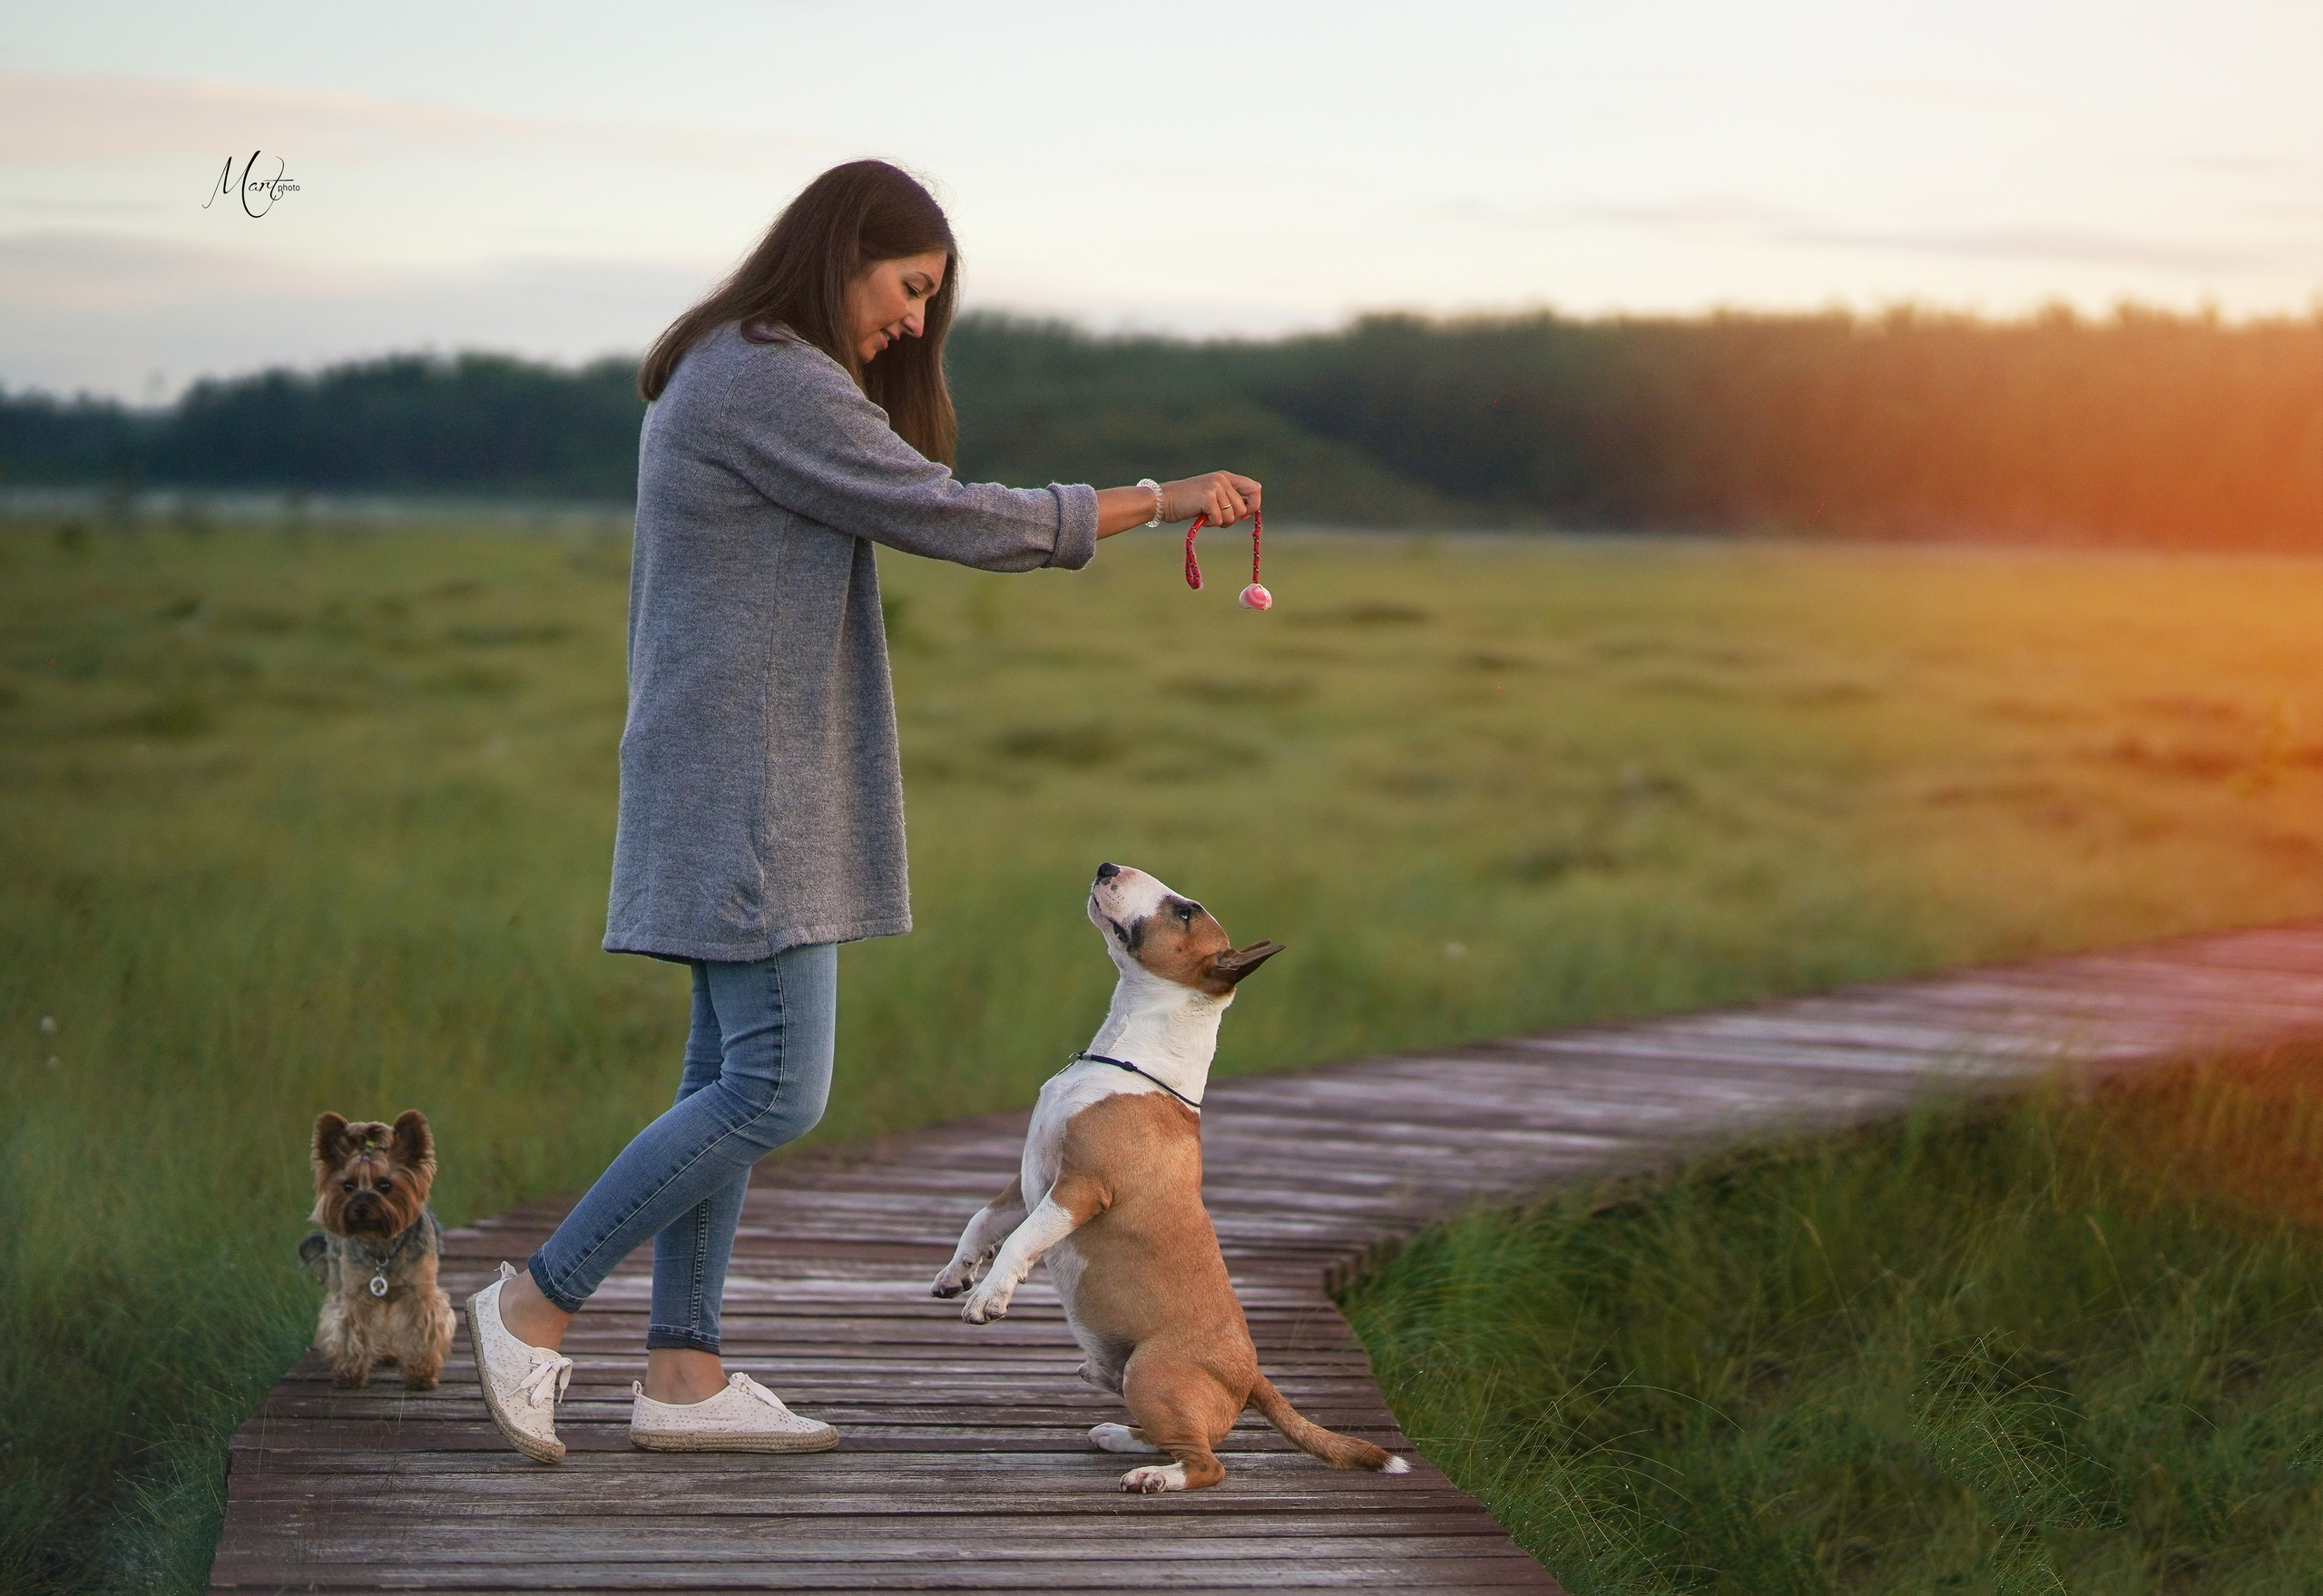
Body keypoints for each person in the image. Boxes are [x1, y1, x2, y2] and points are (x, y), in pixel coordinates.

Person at [465, 159, 1261, 1462]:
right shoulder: (768, 375)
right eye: (909, 287)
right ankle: (533, 1305)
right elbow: (956, 517)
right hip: (751, 779)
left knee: (727, 1075)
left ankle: (684, 1373)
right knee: (777, 1087)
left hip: (731, 765)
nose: (913, 320)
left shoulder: (729, 363)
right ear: (845, 252)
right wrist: (1161, 499)